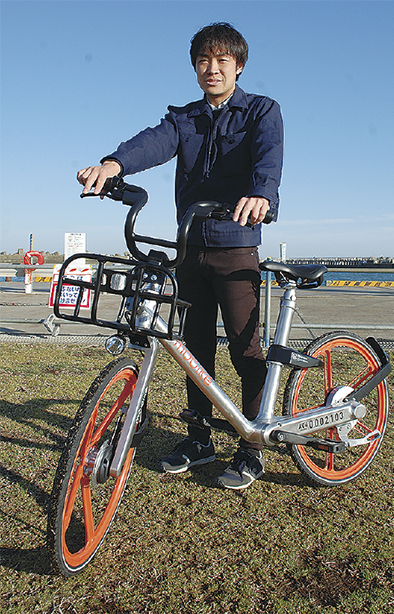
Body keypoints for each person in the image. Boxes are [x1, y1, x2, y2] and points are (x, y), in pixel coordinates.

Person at [78, 22, 284, 490]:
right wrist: (114, 163)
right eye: (203, 61)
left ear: (238, 66)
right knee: (194, 347)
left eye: (222, 61)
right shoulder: (185, 118)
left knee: (245, 348)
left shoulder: (260, 110)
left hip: (236, 246)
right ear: (195, 67)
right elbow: (152, 142)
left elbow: (268, 158)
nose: (213, 69)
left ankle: (252, 445)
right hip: (189, 248)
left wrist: (262, 195)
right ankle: (199, 438)